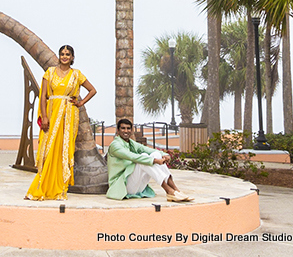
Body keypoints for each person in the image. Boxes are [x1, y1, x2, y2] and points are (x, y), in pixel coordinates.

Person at [25, 44, 96, 200]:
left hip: (69, 117)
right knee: (48, 150)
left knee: (63, 151)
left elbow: (92, 90)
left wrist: (81, 102)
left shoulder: (77, 75)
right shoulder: (49, 73)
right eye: (62, 54)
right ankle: (41, 186)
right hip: (51, 113)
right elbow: (43, 96)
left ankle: (59, 189)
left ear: (72, 57)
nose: (65, 56)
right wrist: (44, 117)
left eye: (67, 54)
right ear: (59, 56)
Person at [106, 118, 193, 202]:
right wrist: (154, 161)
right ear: (118, 131)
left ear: (131, 130)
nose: (126, 131)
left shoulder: (131, 143)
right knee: (143, 159)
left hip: (137, 186)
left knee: (156, 154)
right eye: (123, 128)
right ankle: (169, 191)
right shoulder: (115, 145)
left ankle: (176, 189)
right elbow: (132, 157)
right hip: (122, 186)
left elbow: (148, 150)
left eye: (128, 128)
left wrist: (164, 154)